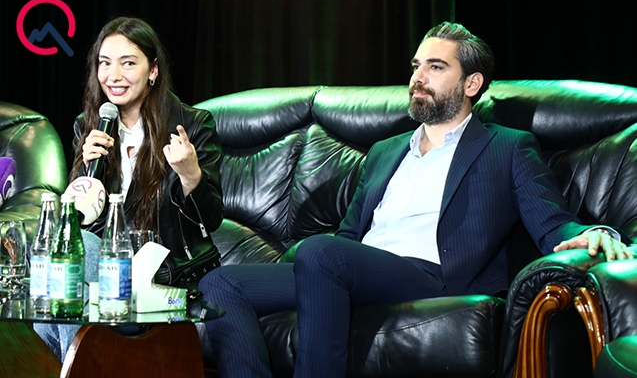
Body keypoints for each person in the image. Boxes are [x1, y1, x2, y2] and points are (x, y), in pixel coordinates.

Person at [198, 21, 633, 378]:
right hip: (357, 271)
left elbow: (552, 223)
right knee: (219, 284)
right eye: (416, 66)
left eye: (436, 67)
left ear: (471, 83)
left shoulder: (506, 147)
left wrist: (595, 233)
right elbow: (349, 236)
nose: (417, 78)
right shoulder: (385, 151)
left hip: (433, 276)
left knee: (320, 252)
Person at [34, 16, 223, 361]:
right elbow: (80, 223)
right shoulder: (89, 127)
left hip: (166, 276)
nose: (114, 75)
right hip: (104, 275)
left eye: (128, 63)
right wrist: (84, 173)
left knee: (74, 266)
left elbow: (210, 220)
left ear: (153, 71)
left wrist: (191, 176)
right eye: (104, 63)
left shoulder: (192, 125)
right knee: (56, 266)